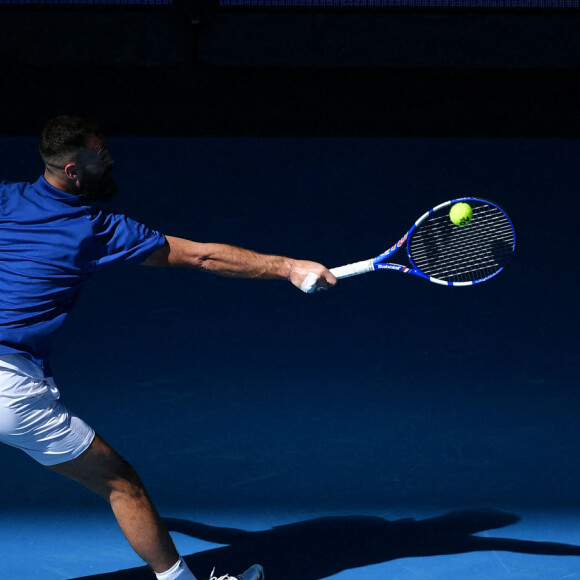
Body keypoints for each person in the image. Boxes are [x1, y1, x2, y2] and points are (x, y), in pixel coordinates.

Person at [0, 115, 337, 580]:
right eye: (100, 156)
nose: (111, 158)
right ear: (74, 170)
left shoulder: (4, 199)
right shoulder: (95, 228)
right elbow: (200, 255)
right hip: (9, 388)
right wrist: (288, 266)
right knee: (120, 482)